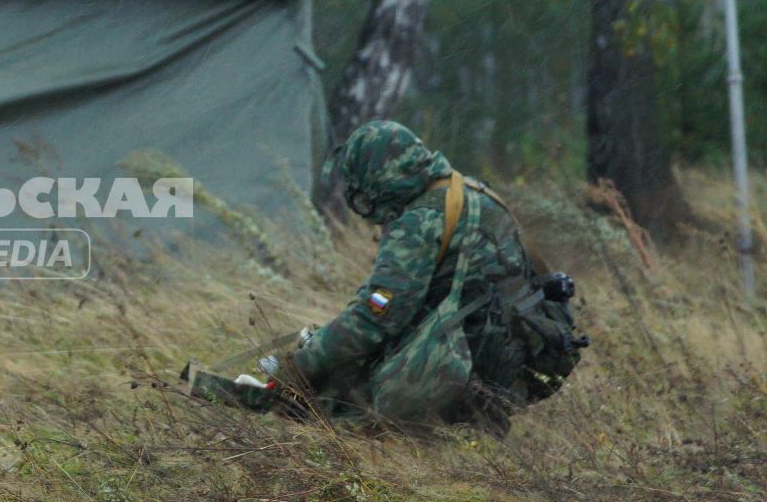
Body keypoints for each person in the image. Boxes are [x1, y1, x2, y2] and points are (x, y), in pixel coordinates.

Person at [188, 121, 583, 432]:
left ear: (379, 180)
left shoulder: (420, 219)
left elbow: (372, 320)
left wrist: (300, 366)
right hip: (519, 360)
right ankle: (470, 424)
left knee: (343, 400)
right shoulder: (473, 193)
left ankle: (447, 425)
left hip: (470, 363)